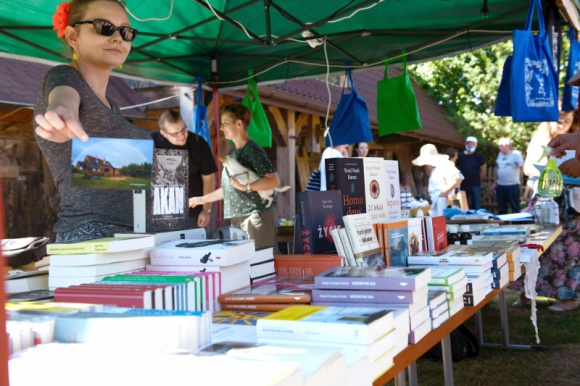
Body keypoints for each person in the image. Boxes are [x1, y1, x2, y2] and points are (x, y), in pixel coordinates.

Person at [34, 0, 151, 242]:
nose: (118, 37)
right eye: (104, 27)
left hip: (128, 239)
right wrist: (61, 112)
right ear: (72, 36)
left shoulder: (111, 105)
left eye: (126, 31)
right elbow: (63, 97)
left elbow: (116, 181)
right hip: (91, 240)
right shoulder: (65, 76)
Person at [188, 104, 280, 248]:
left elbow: (273, 181)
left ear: (239, 124)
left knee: (260, 262)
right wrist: (201, 199)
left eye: (225, 123)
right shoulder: (232, 153)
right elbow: (229, 189)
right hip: (238, 219)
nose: (221, 128)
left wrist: (247, 186)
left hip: (255, 216)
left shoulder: (252, 149)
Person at [151, 109, 217, 228]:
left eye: (183, 129)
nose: (181, 135)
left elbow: (209, 178)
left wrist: (206, 209)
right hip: (160, 213)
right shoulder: (151, 143)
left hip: (192, 214)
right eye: (175, 133)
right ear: (163, 133)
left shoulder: (198, 143)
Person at [524, 106, 578, 193]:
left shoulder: (576, 141)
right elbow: (528, 168)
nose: (562, 125)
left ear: (573, 119)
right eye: (558, 121)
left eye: (567, 121)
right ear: (549, 119)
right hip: (546, 192)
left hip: (574, 195)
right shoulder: (539, 138)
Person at [412, 144, 462, 216]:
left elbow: (458, 178)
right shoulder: (435, 167)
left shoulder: (445, 164)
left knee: (444, 223)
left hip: (444, 200)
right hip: (436, 200)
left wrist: (444, 192)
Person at [492, 138, 524, 215]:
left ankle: (516, 225)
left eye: (501, 146)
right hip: (501, 185)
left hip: (512, 185)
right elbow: (497, 168)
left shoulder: (516, 154)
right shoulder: (500, 154)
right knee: (501, 207)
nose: (499, 147)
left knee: (515, 207)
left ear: (507, 145)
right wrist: (495, 182)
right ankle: (503, 224)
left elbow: (522, 166)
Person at [456, 136, 486, 210]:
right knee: (462, 205)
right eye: (469, 143)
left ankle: (476, 221)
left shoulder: (479, 157)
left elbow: (483, 170)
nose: (470, 145)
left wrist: (478, 178)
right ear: (466, 144)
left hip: (475, 185)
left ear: (476, 145)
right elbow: (456, 169)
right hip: (462, 185)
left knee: (476, 206)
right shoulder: (460, 156)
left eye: (473, 144)